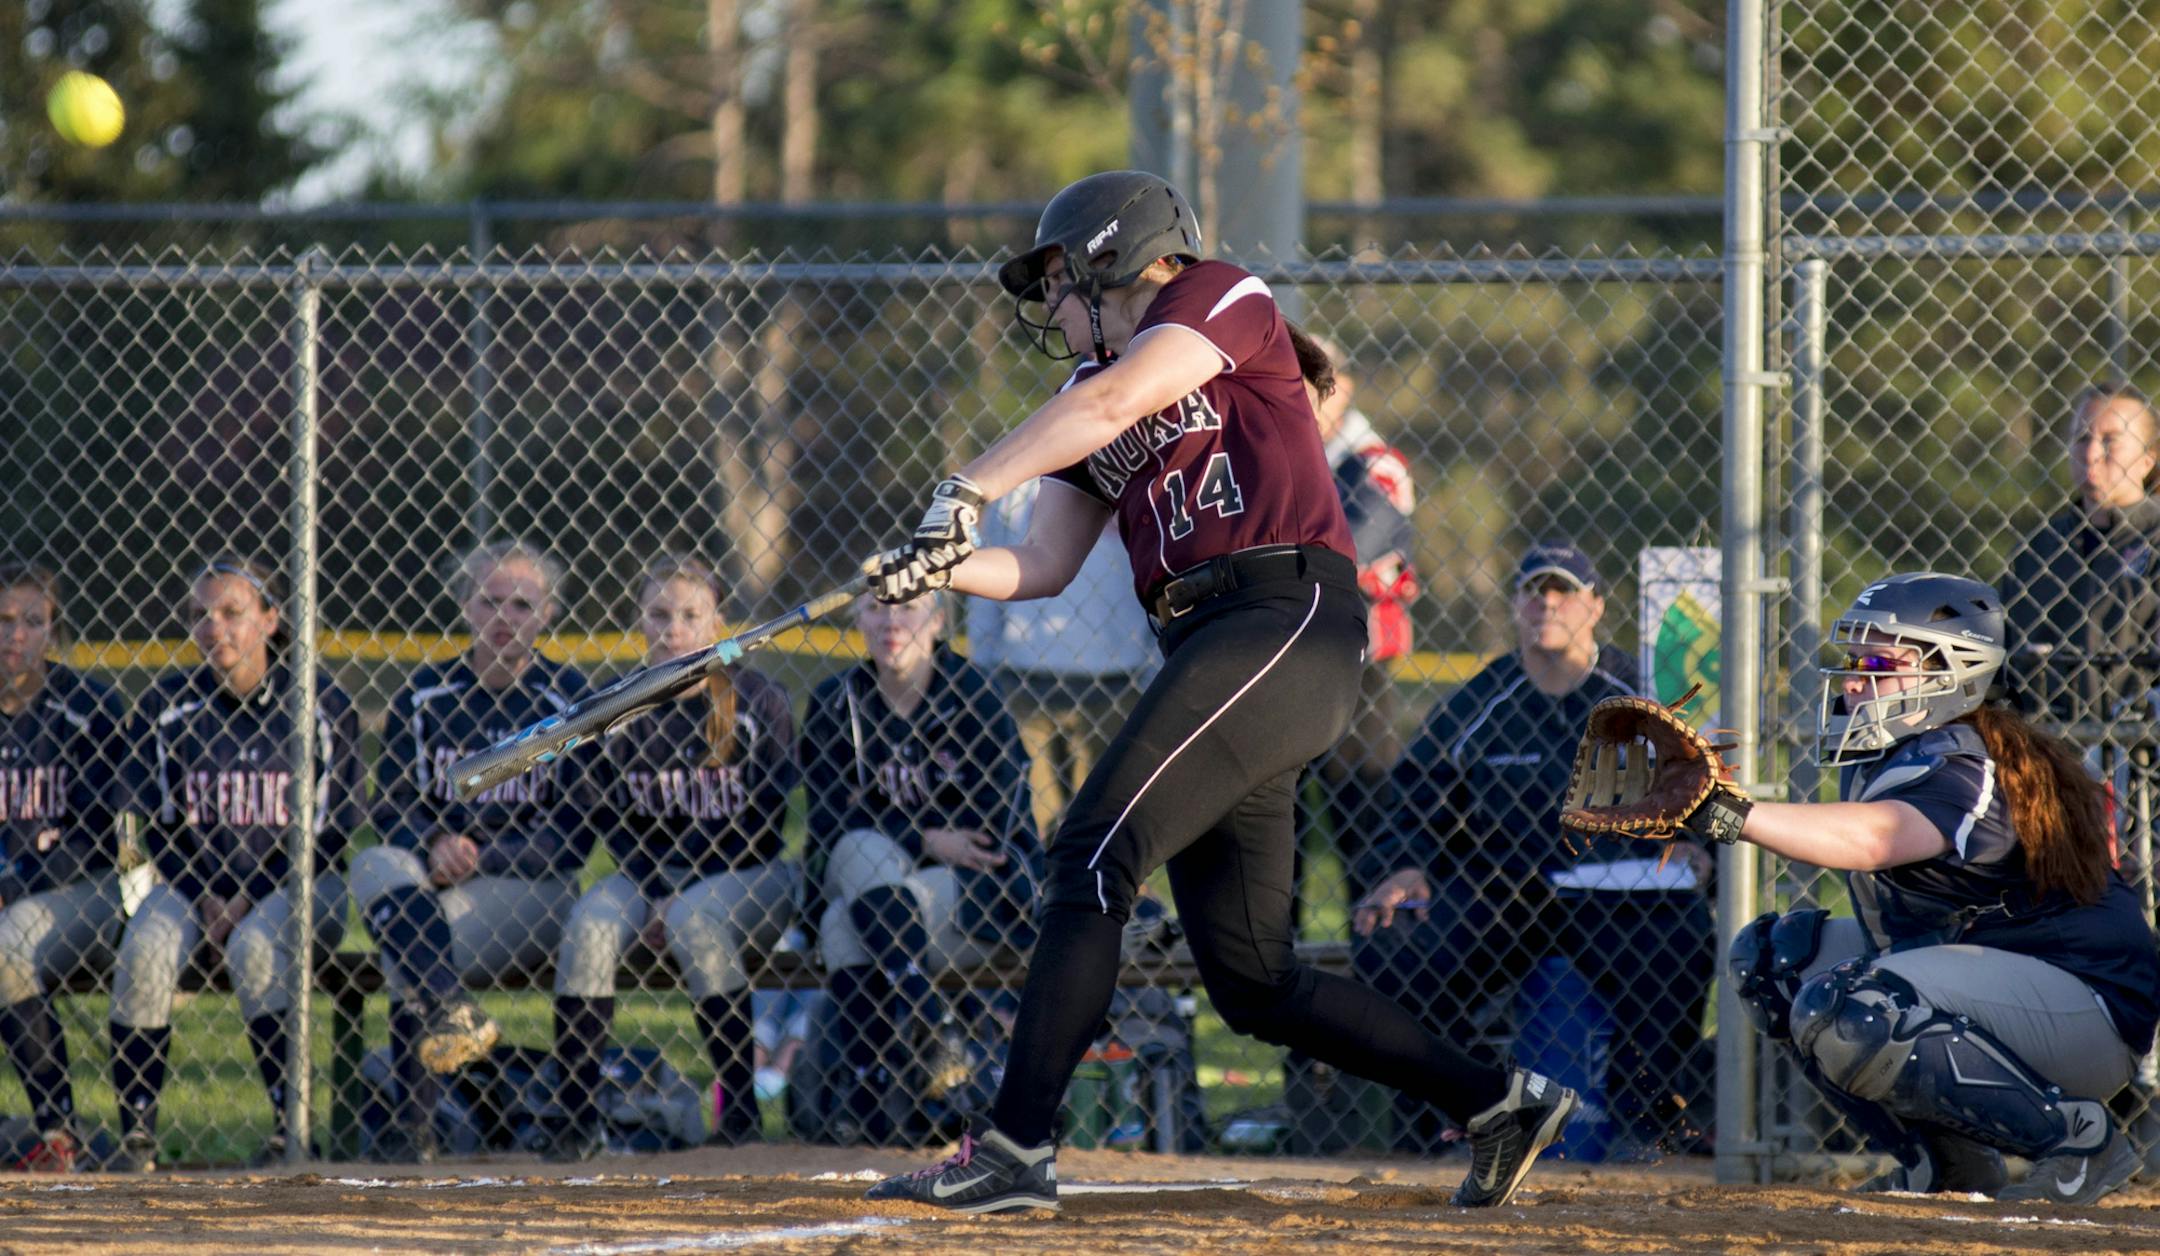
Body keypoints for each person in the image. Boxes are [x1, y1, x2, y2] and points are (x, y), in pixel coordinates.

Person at [863, 170, 1575, 1213]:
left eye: (1056, 281)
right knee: (1252, 980)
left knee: (1091, 852)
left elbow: (1115, 399)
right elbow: (1045, 563)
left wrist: (965, 490)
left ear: (1107, 257)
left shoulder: (1219, 297)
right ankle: (1499, 1100)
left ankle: (1016, 1145)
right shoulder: (1081, 399)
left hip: (1285, 618)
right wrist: (935, 567)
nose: (1049, 308)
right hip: (1214, 648)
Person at [1717, 572, 2160, 1204]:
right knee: (1774, 961)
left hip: (2084, 1011)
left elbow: (1877, 838)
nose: (1853, 680)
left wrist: (1728, 813)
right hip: (2004, 984)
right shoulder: (1896, 750)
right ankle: (1947, 1165)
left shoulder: (1962, 758)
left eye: (1877, 661)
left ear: (1950, 670)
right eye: (1851, 660)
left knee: (1860, 1005)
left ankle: (2076, 1142)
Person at [1352, 542, 1715, 1154]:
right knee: (1395, 948)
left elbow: (1704, 781)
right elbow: (1416, 797)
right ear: (1516, 605)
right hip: (1503, 891)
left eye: (1564, 590)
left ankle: (1642, 1117)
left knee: (1681, 943)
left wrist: (1696, 846)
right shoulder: (1477, 701)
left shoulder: (1643, 691)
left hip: (1619, 891)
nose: (1547, 602)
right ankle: (1469, 1110)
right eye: (1533, 590)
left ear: (1595, 606)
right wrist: (1405, 865)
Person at [109, 557, 361, 1170]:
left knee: (254, 945)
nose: (213, 627)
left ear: (271, 620)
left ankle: (288, 1128)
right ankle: (137, 1133)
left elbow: (331, 833)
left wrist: (248, 894)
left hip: (303, 888)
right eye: (200, 614)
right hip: (199, 889)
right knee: (146, 942)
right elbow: (156, 829)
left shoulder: (320, 707)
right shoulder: (167, 709)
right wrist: (207, 894)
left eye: (232, 613)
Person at [545, 556, 799, 1160]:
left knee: (695, 917)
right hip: (649, 878)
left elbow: (764, 829)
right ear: (639, 621)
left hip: (749, 876)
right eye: (658, 614)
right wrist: (658, 887)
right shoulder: (614, 709)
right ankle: (576, 1119)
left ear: (718, 623)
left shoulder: (758, 701)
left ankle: (737, 1109)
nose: (673, 629)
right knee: (591, 923)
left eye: (690, 615)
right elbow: (610, 823)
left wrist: (677, 894)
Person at [359, 539, 594, 1162]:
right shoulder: (427, 692)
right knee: (374, 865)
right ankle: (449, 1010)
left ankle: (415, 1126)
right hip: (434, 882)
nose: (503, 618)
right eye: (489, 601)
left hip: (532, 892)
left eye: (521, 605)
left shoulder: (568, 699)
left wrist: (483, 857)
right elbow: (392, 807)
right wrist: (433, 844)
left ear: (547, 616)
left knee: (405, 944)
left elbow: (573, 837)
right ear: (464, 607)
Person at [800, 589, 1039, 1147]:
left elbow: (992, 834)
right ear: (857, 618)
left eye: (908, 607)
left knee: (844, 925)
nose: (890, 620)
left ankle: (870, 1103)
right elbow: (830, 823)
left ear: (938, 621)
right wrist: (925, 837)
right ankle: (929, 1020)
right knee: (862, 852)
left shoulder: (975, 694)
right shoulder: (838, 701)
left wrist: (927, 846)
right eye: (876, 607)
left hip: (974, 893)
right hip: (877, 873)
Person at [0, 564, 129, 1172]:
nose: (15, 636)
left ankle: (57, 1131)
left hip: (79, 890)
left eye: (32, 621)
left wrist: (12, 883)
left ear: (53, 632)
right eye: (3, 621)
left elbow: (98, 838)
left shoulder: (88, 707)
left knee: (8, 939)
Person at [965, 480, 1154, 837]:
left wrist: (1149, 666)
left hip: (1114, 682)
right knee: (1032, 814)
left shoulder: (1129, 479)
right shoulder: (1018, 491)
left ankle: (1105, 892)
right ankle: (1039, 888)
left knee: (1104, 817)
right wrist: (985, 662)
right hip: (1025, 678)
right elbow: (985, 592)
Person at [1298, 331, 1418, 893]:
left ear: (1340, 388)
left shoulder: (1375, 464)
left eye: (1316, 377)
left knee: (1364, 825)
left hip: (1358, 665)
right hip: (1279, 657)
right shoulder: (1269, 456)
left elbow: (1342, 552)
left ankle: (1371, 958)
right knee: (1279, 831)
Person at [2001, 381, 2160, 722]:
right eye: (2082, 438)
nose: (2090, 454)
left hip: (2138, 748)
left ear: (2147, 460)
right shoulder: (2039, 550)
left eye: (2110, 442)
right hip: (2046, 749)